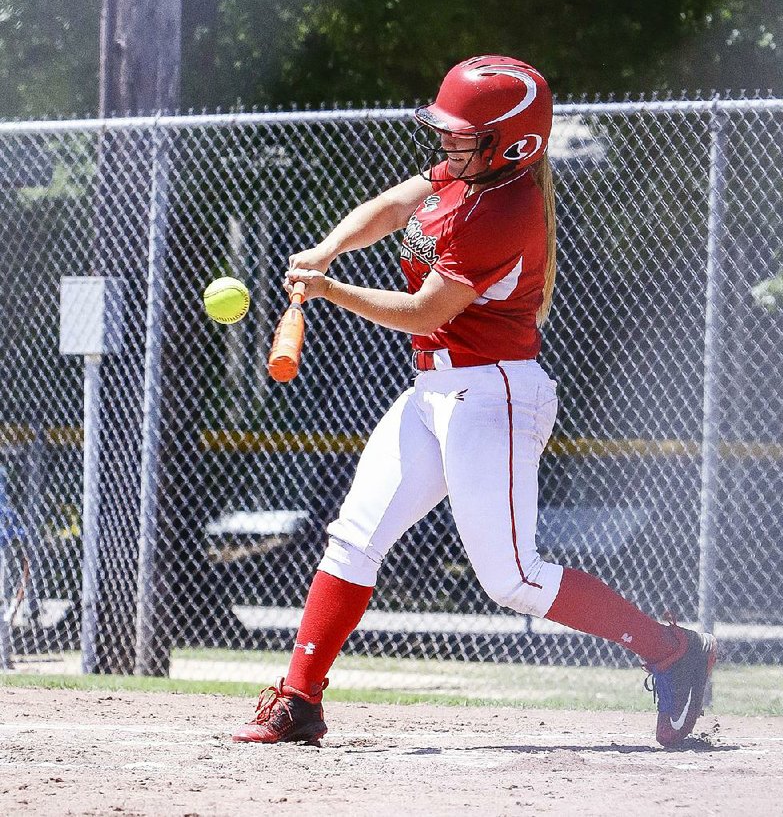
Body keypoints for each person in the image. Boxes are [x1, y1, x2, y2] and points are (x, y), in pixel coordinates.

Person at [232, 55, 716, 748]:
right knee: (354, 538)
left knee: (513, 579)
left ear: (513, 145)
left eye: (466, 134)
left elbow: (427, 313)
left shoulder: (507, 207)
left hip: (494, 395)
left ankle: (672, 650)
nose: (448, 142)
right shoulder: (461, 178)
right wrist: (327, 250)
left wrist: (331, 292)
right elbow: (396, 204)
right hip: (435, 391)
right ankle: (300, 699)